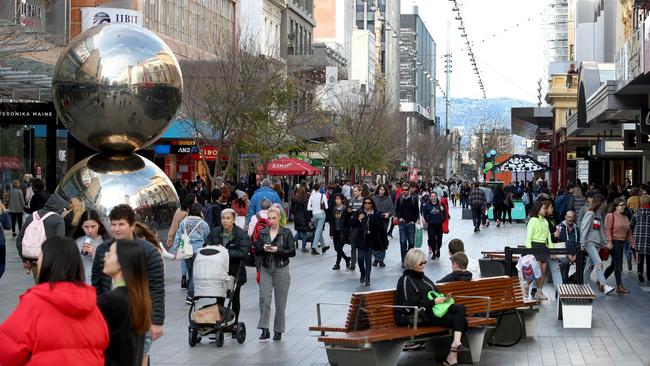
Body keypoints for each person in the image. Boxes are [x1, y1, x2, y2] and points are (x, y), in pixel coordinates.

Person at [0, 236, 109, 365]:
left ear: (48, 262)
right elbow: (103, 341)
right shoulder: (89, 301)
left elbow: (8, 351)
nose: (37, 261)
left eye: (40, 256)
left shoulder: (35, 301)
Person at [91, 204, 166, 359]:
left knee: (140, 355)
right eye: (113, 224)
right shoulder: (103, 249)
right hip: (110, 313)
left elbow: (156, 288)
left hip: (138, 314)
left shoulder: (148, 251)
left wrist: (157, 320)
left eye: (121, 224)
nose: (116, 229)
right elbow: (96, 283)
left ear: (132, 225)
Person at [395, 249, 467, 366]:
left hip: (435, 311)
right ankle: (452, 356)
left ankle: (455, 344)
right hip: (423, 315)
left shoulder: (424, 278)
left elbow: (435, 293)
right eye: (421, 263)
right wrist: (434, 301)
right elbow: (408, 306)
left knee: (461, 308)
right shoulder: (405, 280)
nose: (424, 265)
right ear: (412, 263)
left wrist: (444, 298)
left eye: (424, 262)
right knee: (462, 321)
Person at [99, 239, 152, 366]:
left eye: (110, 253)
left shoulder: (112, 300)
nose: (104, 257)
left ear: (120, 262)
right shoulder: (140, 298)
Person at [255, 206, 296, 341]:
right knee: (264, 299)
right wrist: (263, 248)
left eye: (274, 218)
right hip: (266, 268)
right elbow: (257, 249)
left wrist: (277, 250)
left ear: (279, 218)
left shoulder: (286, 232)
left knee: (280, 302)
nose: (272, 221)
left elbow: (292, 252)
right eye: (270, 218)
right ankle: (264, 328)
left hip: (281, 269)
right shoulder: (263, 233)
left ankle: (278, 330)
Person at [206, 208, 251, 323]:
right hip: (218, 271)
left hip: (235, 271)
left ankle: (235, 322)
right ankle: (218, 322)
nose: (225, 221)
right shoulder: (215, 232)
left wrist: (224, 252)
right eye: (223, 218)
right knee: (219, 298)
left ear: (234, 219)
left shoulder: (241, 234)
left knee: (235, 298)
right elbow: (206, 246)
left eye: (228, 218)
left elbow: (243, 252)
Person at [16, 192, 68, 279]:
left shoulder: (32, 216)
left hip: (34, 259)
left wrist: (24, 258)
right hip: (51, 262)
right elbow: (60, 244)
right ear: (60, 207)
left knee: (38, 285)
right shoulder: (58, 219)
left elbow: (19, 239)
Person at [170, 202, 211, 304]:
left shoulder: (183, 222)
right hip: (198, 251)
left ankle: (193, 294)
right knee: (195, 274)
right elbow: (208, 237)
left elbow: (178, 237)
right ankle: (190, 295)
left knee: (190, 272)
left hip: (186, 251)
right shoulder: (203, 223)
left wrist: (174, 251)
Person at [580, 195, 615, 295]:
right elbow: (584, 228)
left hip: (596, 244)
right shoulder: (590, 213)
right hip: (589, 243)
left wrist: (604, 243)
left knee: (589, 266)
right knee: (599, 263)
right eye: (602, 203)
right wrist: (582, 243)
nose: (604, 205)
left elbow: (601, 231)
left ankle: (584, 286)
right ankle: (604, 286)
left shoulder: (598, 215)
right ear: (599, 203)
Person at [351, 198, 388, 286]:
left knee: (368, 259)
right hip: (361, 240)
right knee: (360, 258)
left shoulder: (376, 214)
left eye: (369, 203)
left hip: (371, 240)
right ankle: (362, 273)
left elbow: (381, 228)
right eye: (365, 203)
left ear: (372, 204)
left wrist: (384, 241)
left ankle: (367, 277)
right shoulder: (359, 212)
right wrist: (358, 219)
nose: (367, 205)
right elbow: (352, 224)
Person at [603, 197, 636, 293]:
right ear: (616, 206)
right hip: (614, 242)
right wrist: (609, 242)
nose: (624, 207)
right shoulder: (610, 215)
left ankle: (601, 281)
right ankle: (619, 286)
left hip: (622, 242)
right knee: (618, 264)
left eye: (624, 205)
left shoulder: (625, 217)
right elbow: (607, 229)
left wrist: (632, 243)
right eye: (621, 205)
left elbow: (629, 231)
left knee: (614, 265)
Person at [525, 201, 554, 300]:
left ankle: (539, 291)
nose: (545, 210)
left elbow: (548, 236)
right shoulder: (533, 220)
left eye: (546, 209)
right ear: (538, 209)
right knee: (535, 270)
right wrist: (529, 250)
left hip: (543, 247)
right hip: (535, 246)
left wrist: (551, 249)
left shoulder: (545, 221)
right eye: (543, 208)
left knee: (543, 271)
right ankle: (526, 286)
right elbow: (529, 236)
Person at [166, 193, 197, 289]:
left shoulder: (179, 211)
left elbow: (174, 225)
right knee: (190, 257)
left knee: (184, 257)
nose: (197, 201)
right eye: (195, 200)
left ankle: (184, 277)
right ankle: (189, 278)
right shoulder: (192, 211)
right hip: (192, 239)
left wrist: (170, 237)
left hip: (181, 238)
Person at [73, 210, 110, 283]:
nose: (90, 230)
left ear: (99, 225)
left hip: (99, 285)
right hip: (81, 284)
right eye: (86, 227)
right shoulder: (77, 241)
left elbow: (111, 267)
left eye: (93, 226)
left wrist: (94, 254)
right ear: (81, 226)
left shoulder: (105, 242)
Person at [396, 182, 420, 265]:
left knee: (411, 242)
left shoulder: (414, 199)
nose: (404, 191)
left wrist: (414, 220)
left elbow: (417, 210)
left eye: (406, 190)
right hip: (402, 224)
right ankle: (404, 261)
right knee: (402, 242)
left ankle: (409, 259)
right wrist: (399, 218)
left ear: (409, 190)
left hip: (411, 224)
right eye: (403, 190)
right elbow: (396, 209)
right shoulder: (400, 199)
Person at [371, 184, 394, 267]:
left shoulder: (388, 199)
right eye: (380, 189)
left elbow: (391, 210)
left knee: (383, 240)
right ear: (378, 190)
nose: (382, 191)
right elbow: (370, 208)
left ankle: (381, 259)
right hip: (375, 221)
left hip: (384, 222)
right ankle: (376, 258)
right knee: (375, 240)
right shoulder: (374, 198)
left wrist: (388, 214)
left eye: (383, 190)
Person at [556, 210, 581, 282]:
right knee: (565, 262)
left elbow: (579, 243)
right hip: (563, 252)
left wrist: (576, 254)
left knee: (584, 263)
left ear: (574, 218)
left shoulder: (577, 229)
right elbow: (559, 243)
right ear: (565, 217)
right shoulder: (560, 227)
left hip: (575, 253)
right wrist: (567, 254)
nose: (570, 219)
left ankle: (573, 278)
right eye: (568, 217)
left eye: (572, 217)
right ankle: (565, 281)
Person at [307, 183, 330, 255]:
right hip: (321, 214)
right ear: (319, 188)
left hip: (314, 214)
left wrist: (314, 208)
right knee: (318, 231)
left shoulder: (311, 196)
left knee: (318, 230)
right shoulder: (323, 196)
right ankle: (314, 248)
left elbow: (308, 208)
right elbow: (326, 207)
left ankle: (323, 246)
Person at [631, 194, 650, 282]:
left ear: (641, 202)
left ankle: (640, 273)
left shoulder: (637, 213)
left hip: (639, 240)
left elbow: (631, 225)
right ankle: (649, 275)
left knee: (640, 258)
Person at [422, 191, 446, 259]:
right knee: (432, 239)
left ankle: (438, 249)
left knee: (439, 240)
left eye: (434, 196)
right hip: (431, 225)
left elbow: (444, 213)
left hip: (439, 225)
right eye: (432, 196)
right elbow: (425, 213)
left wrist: (442, 220)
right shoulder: (427, 205)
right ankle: (434, 253)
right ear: (430, 197)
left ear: (436, 197)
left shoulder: (441, 204)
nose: (433, 197)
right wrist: (428, 220)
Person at [330, 194, 351, 270]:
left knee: (339, 248)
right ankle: (347, 259)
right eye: (336, 199)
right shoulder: (334, 209)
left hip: (342, 232)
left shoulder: (345, 209)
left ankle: (337, 264)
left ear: (342, 200)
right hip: (336, 231)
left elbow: (348, 222)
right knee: (337, 249)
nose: (337, 201)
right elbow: (332, 221)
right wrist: (331, 232)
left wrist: (347, 232)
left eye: (338, 199)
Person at [346, 185, 365, 269]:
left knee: (361, 246)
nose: (354, 193)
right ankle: (353, 264)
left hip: (361, 227)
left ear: (360, 191)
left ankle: (362, 263)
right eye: (353, 191)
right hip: (353, 226)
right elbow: (349, 212)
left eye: (356, 191)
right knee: (353, 246)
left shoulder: (364, 201)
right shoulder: (352, 201)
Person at [291, 187, 311, 253]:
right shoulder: (305, 200)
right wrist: (309, 220)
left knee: (299, 233)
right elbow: (306, 211)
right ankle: (303, 248)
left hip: (296, 218)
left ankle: (290, 243)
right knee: (304, 233)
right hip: (303, 219)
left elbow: (292, 210)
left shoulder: (294, 199)